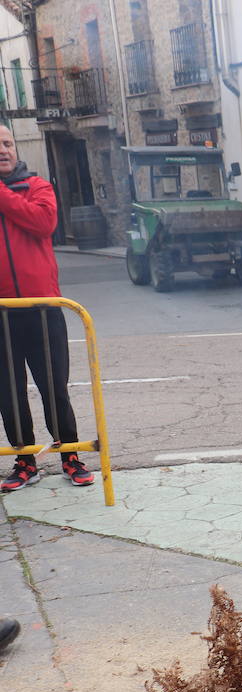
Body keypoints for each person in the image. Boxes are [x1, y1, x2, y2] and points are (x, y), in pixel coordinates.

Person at [0, 124, 94, 492]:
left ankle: (70, 455)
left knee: (54, 387)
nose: (3, 150)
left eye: (7, 143)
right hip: (1, 312)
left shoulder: (37, 186)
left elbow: (43, 223)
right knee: (8, 392)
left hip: (43, 308)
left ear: (16, 147)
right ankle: (25, 463)